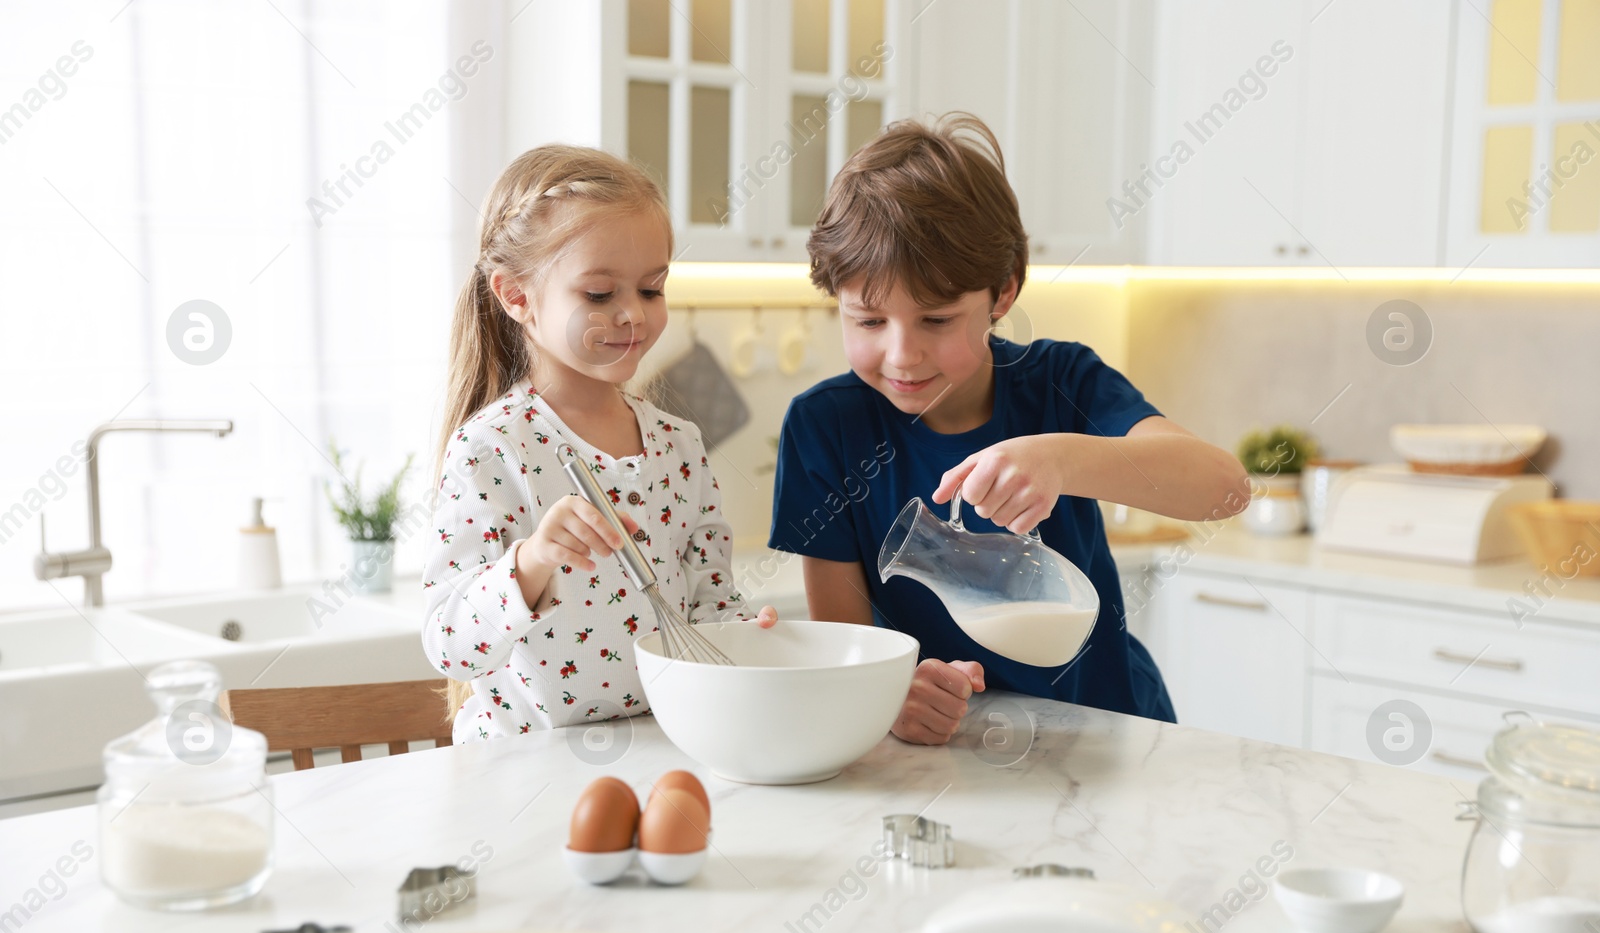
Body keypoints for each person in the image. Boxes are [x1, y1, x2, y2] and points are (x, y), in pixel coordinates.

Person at [769, 113, 1248, 745]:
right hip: (951, 752)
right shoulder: (824, 427)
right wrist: (894, 697)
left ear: (1002, 294)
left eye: (937, 320)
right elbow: (847, 652)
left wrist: (1065, 461)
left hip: (1107, 732)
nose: (902, 354)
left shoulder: (1061, 382)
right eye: (868, 321)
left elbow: (1225, 489)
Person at [423, 145, 775, 741]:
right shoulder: (492, 450)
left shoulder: (680, 446)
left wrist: (749, 631)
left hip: (659, 751)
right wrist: (532, 561)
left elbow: (710, 605)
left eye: (651, 289)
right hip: (518, 775)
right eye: (599, 295)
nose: (633, 315)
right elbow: (451, 644)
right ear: (516, 297)